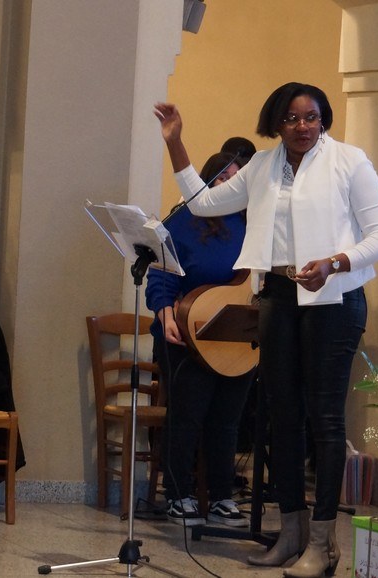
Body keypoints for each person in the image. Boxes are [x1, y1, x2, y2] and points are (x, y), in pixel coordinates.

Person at [155, 82, 378, 577]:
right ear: (276, 123)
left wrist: (335, 262)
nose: (303, 126)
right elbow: (201, 203)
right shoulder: (262, 167)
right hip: (279, 296)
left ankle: (323, 544)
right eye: (291, 118)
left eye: (312, 117)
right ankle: (291, 533)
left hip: (334, 296)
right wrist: (175, 141)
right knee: (281, 418)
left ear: (323, 120)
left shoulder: (350, 162)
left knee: (324, 419)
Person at [145, 151, 252, 528]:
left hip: (237, 337)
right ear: (206, 181)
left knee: (227, 420)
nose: (228, 185)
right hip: (186, 334)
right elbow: (160, 275)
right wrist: (165, 314)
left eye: (236, 180)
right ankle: (178, 494)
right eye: (222, 178)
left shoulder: (254, 223)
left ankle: (222, 496)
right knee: (187, 415)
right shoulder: (183, 221)